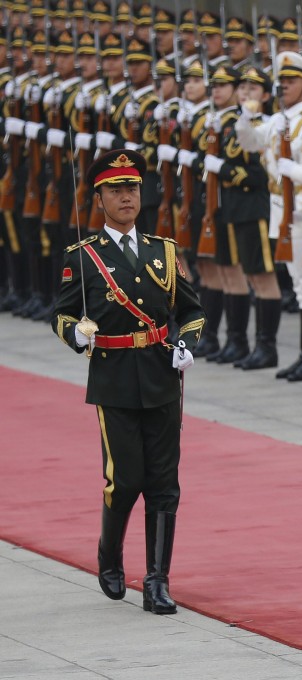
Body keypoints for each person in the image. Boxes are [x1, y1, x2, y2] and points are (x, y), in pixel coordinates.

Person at [50, 148, 205, 615]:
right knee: (124, 479)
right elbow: (59, 314)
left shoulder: (165, 251)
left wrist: (187, 342)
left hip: (160, 376)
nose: (126, 198)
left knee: (164, 482)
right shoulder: (83, 257)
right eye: (116, 191)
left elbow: (191, 310)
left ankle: (157, 579)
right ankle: (109, 554)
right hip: (114, 379)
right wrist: (76, 333)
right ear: (99, 199)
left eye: (132, 189)